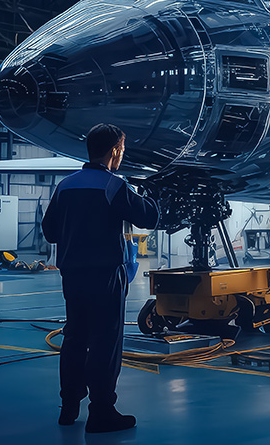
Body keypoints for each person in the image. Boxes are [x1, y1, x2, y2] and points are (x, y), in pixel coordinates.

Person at [42, 123, 159, 433]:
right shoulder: (113, 186)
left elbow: (50, 231)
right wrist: (152, 193)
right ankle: (102, 412)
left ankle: (68, 407)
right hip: (107, 275)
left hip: (73, 275)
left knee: (75, 339)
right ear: (115, 151)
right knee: (105, 342)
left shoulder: (65, 185)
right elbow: (148, 217)